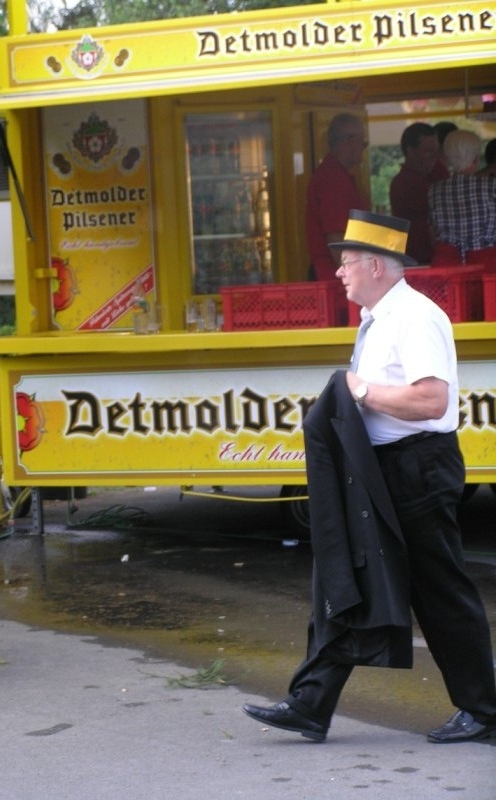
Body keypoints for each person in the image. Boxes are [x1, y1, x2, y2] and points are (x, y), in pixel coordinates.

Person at [243, 209, 496, 744]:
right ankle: (310, 704)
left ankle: (485, 710)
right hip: (388, 468)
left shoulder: (415, 317)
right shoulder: (379, 318)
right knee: (347, 574)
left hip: (418, 469)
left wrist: (361, 391)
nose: (339, 271)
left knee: (439, 591)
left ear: (377, 266)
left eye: (348, 261)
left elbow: (432, 401)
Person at [305, 113, 370, 281]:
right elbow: (336, 238)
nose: (363, 149)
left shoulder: (335, 174)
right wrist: (356, 280)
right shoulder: (333, 179)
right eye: (363, 143)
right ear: (350, 141)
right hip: (334, 280)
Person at [428, 130, 496, 267]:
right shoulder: (491, 186)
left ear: (447, 158)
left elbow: (432, 232)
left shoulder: (434, 190)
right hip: (486, 265)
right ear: (476, 158)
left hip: (447, 265)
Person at [389, 122, 440, 264]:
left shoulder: (430, 177)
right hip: (418, 261)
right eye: (428, 150)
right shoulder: (405, 183)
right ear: (410, 151)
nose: (434, 156)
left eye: (436, 150)